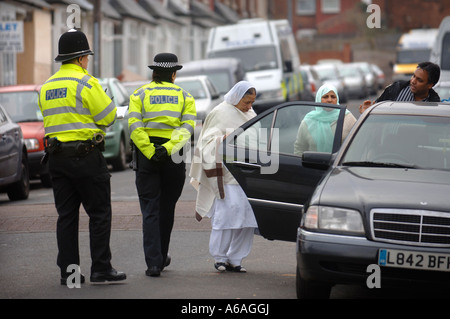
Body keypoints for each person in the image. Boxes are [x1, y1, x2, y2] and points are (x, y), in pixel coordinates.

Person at [38, 29, 126, 284]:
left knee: (67, 216)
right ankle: (101, 268)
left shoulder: (47, 87)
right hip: (86, 157)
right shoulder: (87, 83)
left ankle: (69, 273)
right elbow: (108, 117)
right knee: (99, 213)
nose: (88, 61)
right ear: (79, 59)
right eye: (86, 56)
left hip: (56, 158)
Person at [128, 53, 196, 277]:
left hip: (147, 157)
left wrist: (149, 151)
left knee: (150, 209)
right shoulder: (186, 97)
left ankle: (153, 263)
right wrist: (167, 149)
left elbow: (135, 127)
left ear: (154, 73)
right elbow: (186, 130)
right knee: (167, 208)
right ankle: (161, 255)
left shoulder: (138, 95)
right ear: (174, 74)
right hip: (173, 157)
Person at [189, 81, 258, 273]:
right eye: (247, 102)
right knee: (226, 215)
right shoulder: (219, 112)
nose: (249, 106)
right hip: (226, 174)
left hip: (247, 174)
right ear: (237, 97)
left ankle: (235, 259)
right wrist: (223, 140)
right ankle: (219, 257)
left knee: (247, 218)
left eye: (252, 102)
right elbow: (206, 142)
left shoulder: (251, 114)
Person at [294, 84, 356, 155]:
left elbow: (359, 140)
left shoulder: (347, 117)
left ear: (337, 99)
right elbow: (299, 149)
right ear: (318, 99)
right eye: (325, 97)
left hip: (340, 165)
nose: (329, 100)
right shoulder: (308, 121)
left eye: (333, 97)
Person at [360, 61, 441, 113]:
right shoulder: (396, 89)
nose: (413, 81)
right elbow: (378, 111)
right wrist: (368, 111)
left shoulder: (435, 106)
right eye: (413, 76)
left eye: (419, 80)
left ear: (430, 85)